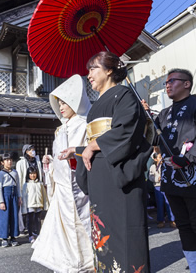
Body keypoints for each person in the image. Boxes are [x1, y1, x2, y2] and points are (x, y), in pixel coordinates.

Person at [63, 52, 153, 273]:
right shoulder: (96, 106)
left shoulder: (124, 95)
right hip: (101, 175)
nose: (89, 75)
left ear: (109, 70)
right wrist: (80, 150)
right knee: (103, 233)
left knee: (125, 231)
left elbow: (128, 130)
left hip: (120, 173)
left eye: (93, 68)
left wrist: (93, 146)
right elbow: (97, 143)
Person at [143, 68, 196, 273]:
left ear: (186, 84)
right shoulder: (164, 114)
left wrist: (188, 158)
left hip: (194, 175)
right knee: (184, 225)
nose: (167, 85)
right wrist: (146, 119)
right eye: (166, 83)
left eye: (172, 81)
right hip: (171, 177)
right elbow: (153, 139)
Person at [31, 74, 94, 272]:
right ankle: (68, 263)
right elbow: (60, 157)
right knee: (62, 228)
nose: (61, 107)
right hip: (62, 188)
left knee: (81, 224)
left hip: (79, 185)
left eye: (65, 102)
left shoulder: (85, 125)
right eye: (59, 103)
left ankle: (87, 261)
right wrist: (50, 163)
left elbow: (89, 152)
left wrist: (74, 155)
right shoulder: (60, 129)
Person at [0, 153, 21, 247]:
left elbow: (18, 185)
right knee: (5, 217)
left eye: (10, 160)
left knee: (14, 216)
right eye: (7, 160)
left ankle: (13, 236)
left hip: (14, 194)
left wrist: (19, 197)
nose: (9, 162)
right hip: (5, 195)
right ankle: (4, 238)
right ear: (2, 162)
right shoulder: (0, 173)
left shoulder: (15, 172)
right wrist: (1, 201)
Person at [149, 152, 176, 229]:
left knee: (169, 203)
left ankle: (172, 220)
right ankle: (160, 220)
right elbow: (150, 177)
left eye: (161, 157)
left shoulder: (165, 165)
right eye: (158, 157)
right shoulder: (153, 167)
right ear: (154, 159)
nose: (160, 159)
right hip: (157, 186)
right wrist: (157, 179)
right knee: (159, 204)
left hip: (166, 185)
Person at [22, 166, 48, 243]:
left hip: (39, 204)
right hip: (30, 204)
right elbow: (24, 196)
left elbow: (44, 195)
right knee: (30, 220)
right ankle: (30, 235)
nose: (33, 175)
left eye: (34, 173)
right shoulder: (26, 184)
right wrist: (24, 208)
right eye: (31, 174)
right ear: (28, 175)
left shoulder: (40, 184)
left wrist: (45, 205)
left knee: (38, 220)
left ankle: (38, 233)